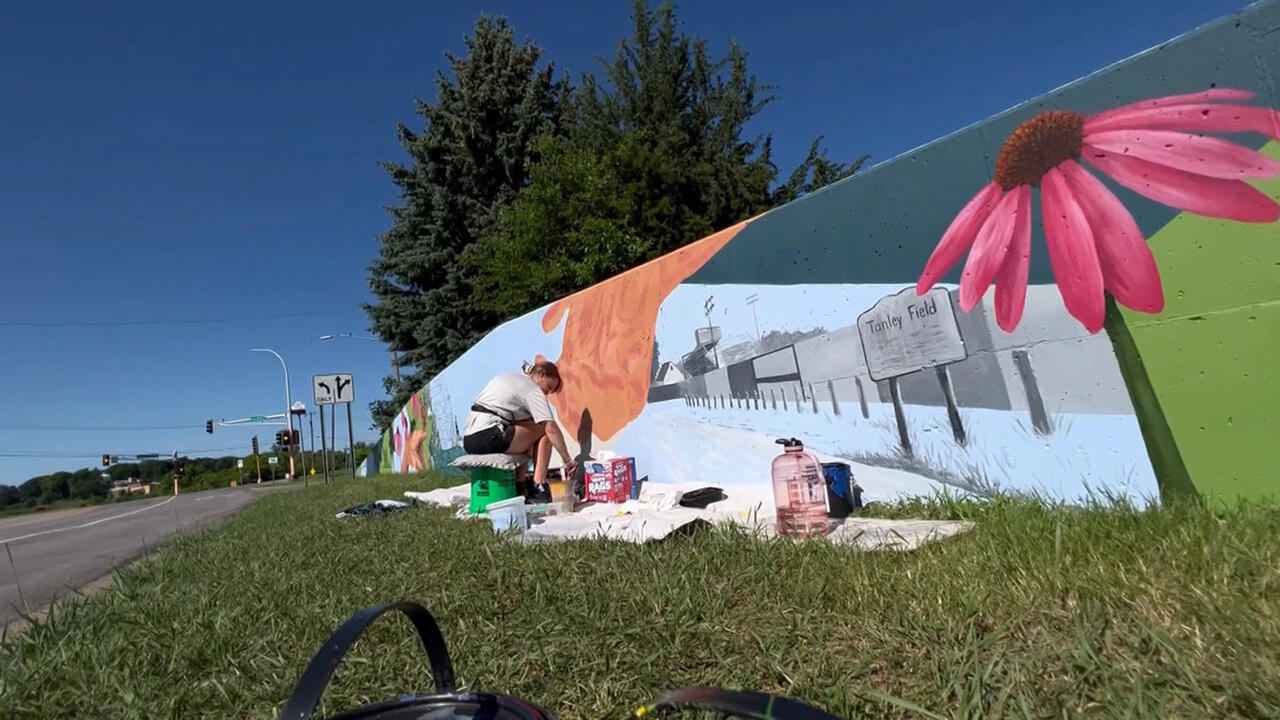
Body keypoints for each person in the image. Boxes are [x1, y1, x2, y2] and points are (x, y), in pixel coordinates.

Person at [462, 360, 577, 490]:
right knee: (544, 430)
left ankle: (520, 486)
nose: (547, 393)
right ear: (542, 375)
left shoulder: (511, 378)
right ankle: (539, 486)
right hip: (489, 435)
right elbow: (550, 427)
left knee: (530, 431)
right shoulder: (532, 388)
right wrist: (567, 460)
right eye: (549, 387)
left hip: (470, 440)